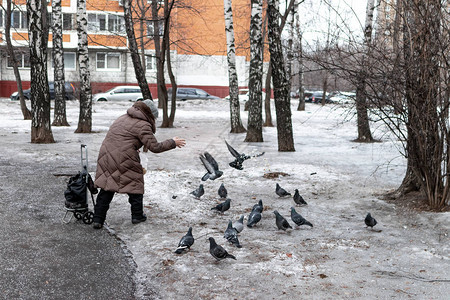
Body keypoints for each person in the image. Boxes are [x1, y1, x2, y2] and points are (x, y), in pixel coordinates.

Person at [93, 99, 186, 229]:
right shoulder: (143, 124)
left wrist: (132, 146)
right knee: (135, 183)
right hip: (124, 156)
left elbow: (122, 137)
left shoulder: (122, 118)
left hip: (106, 154)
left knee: (108, 186)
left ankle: (98, 219)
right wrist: (172, 142)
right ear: (149, 114)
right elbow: (155, 147)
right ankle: (137, 215)